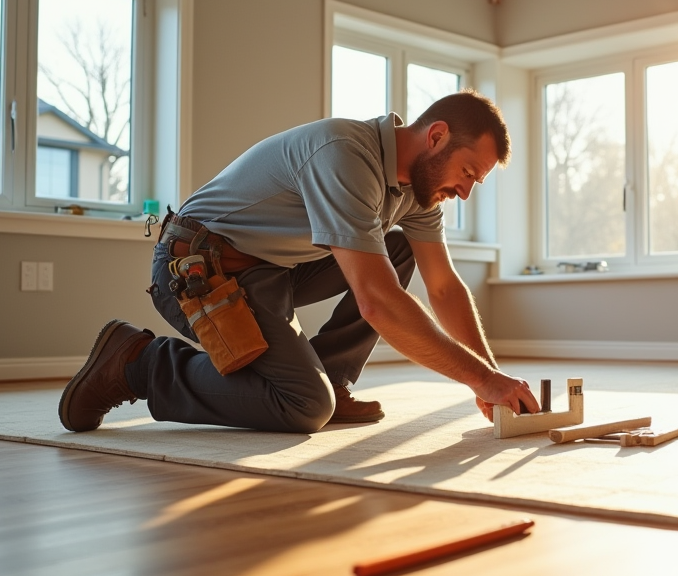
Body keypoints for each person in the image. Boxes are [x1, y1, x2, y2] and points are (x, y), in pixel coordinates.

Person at [58, 90, 541, 434]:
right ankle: (138, 363)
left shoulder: (417, 194)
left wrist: (491, 377)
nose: (465, 191)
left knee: (395, 248)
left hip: (268, 271)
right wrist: (483, 379)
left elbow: (444, 288)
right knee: (304, 406)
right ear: (436, 136)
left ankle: (330, 380)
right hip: (198, 270)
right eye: (468, 172)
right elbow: (377, 300)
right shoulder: (347, 155)